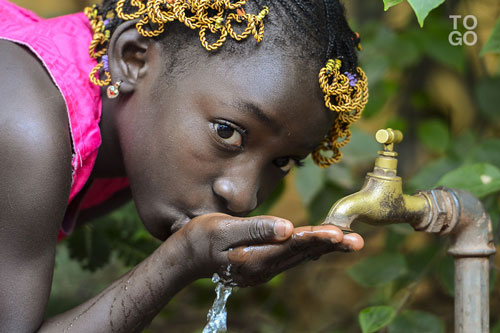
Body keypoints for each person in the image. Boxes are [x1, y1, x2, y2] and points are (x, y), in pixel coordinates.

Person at [0, 0, 368, 331]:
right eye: (227, 132)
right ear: (134, 58)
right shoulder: (25, 127)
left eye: (283, 161)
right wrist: (181, 260)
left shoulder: (132, 140)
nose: (243, 197)